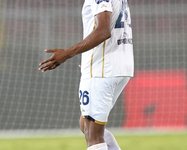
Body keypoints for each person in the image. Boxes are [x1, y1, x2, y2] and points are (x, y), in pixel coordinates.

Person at [39, 0, 134, 149]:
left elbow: (103, 31)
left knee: (93, 136)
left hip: (103, 70)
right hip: (119, 66)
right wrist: (91, 59)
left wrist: (66, 54)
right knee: (85, 124)